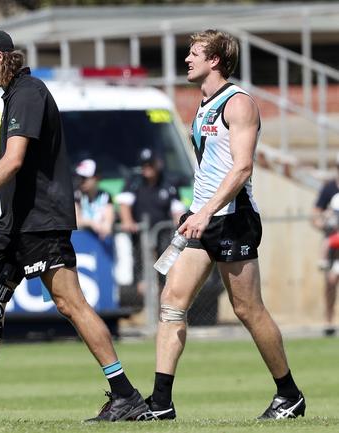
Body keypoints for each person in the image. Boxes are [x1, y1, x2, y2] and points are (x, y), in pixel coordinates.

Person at [0, 27, 148, 423]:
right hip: (16, 222)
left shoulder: (28, 92)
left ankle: (126, 395)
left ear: (1, 56)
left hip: (41, 221)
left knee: (70, 304)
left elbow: (13, 160)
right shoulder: (13, 95)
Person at [137, 29, 305, 421]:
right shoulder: (202, 103)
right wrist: (195, 212)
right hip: (202, 219)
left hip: (233, 220)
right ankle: (161, 403)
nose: (187, 59)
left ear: (215, 60)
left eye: (194, 53)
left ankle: (290, 395)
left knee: (248, 310)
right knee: (171, 305)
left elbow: (242, 167)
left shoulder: (238, 102)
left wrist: (206, 211)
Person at [117, 148, 185, 294]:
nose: (147, 168)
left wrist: (179, 228)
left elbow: (177, 209)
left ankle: (163, 292)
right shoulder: (134, 182)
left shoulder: (168, 183)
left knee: (165, 264)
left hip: (163, 233)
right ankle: (141, 296)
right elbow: (124, 204)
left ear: (157, 164)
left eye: (150, 164)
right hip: (140, 233)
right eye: (144, 165)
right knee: (140, 264)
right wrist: (128, 221)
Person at [311, 156, 339, 337]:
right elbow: (315, 215)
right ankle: (329, 320)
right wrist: (324, 222)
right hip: (334, 245)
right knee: (330, 281)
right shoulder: (329, 189)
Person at [74, 158, 114, 240]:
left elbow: (108, 226)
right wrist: (91, 223)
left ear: (96, 178)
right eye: (79, 178)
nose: (81, 181)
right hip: (79, 242)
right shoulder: (76, 196)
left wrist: (103, 228)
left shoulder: (106, 197)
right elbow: (75, 221)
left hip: (99, 243)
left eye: (84, 178)